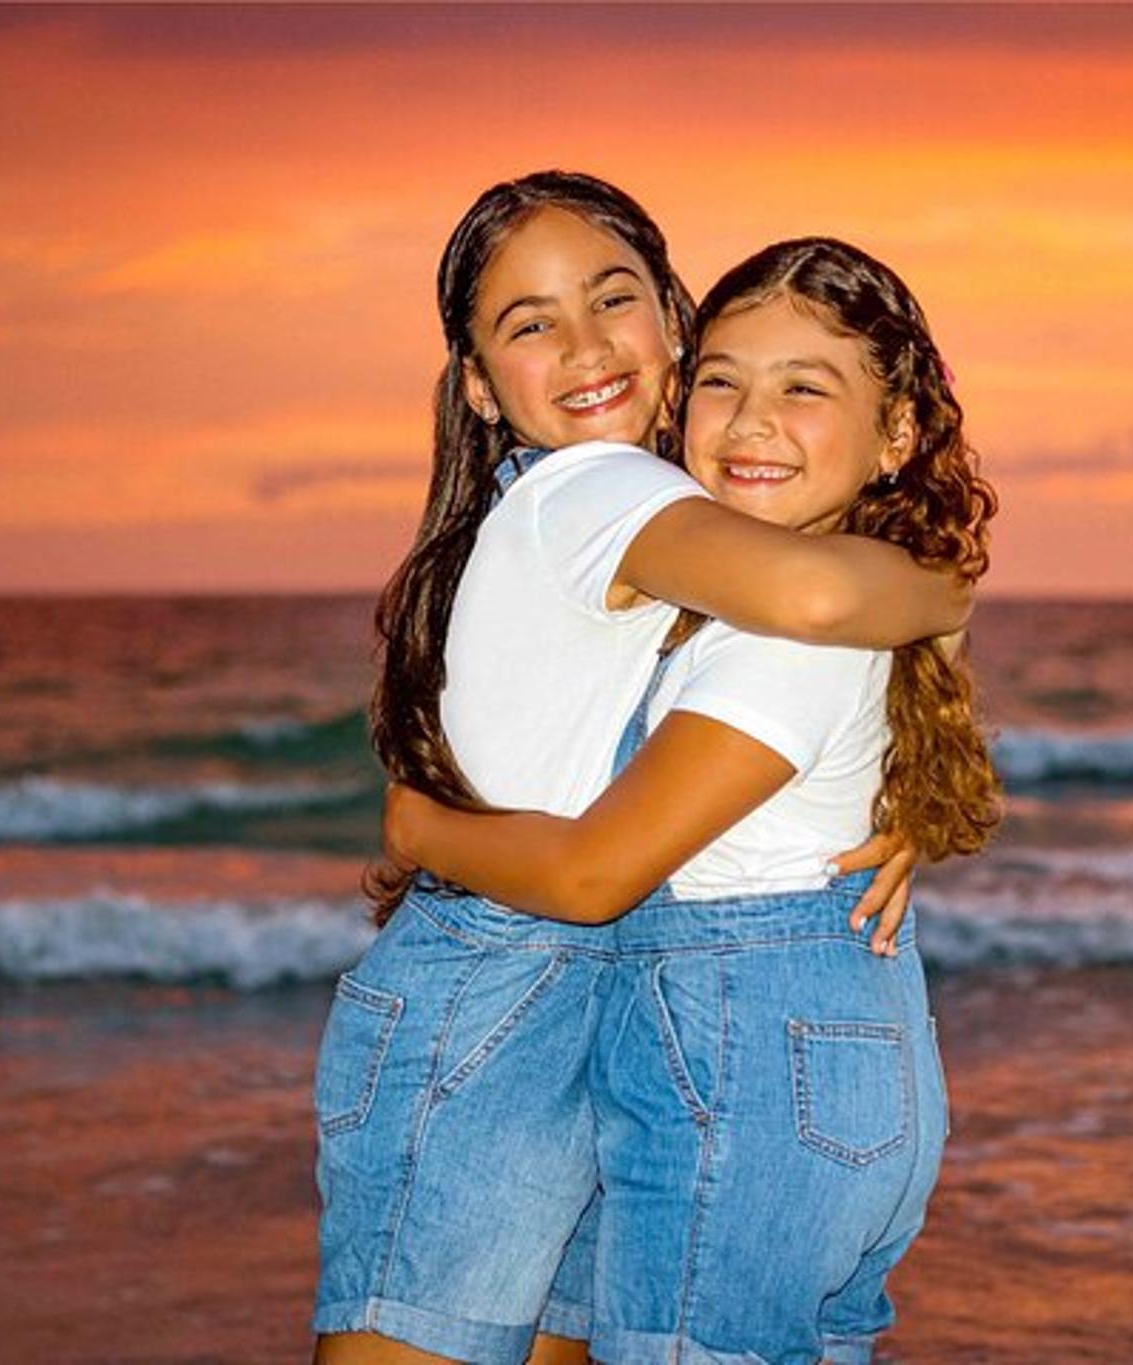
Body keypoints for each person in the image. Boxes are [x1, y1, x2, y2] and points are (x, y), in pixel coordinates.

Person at [313, 175, 973, 1363]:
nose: (581, 347)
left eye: (612, 300)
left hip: (618, 998)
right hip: (519, 986)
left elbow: (801, 648)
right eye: (527, 324)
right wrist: (941, 593)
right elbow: (819, 599)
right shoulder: (596, 486)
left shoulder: (683, 529)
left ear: (670, 320)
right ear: (475, 384)